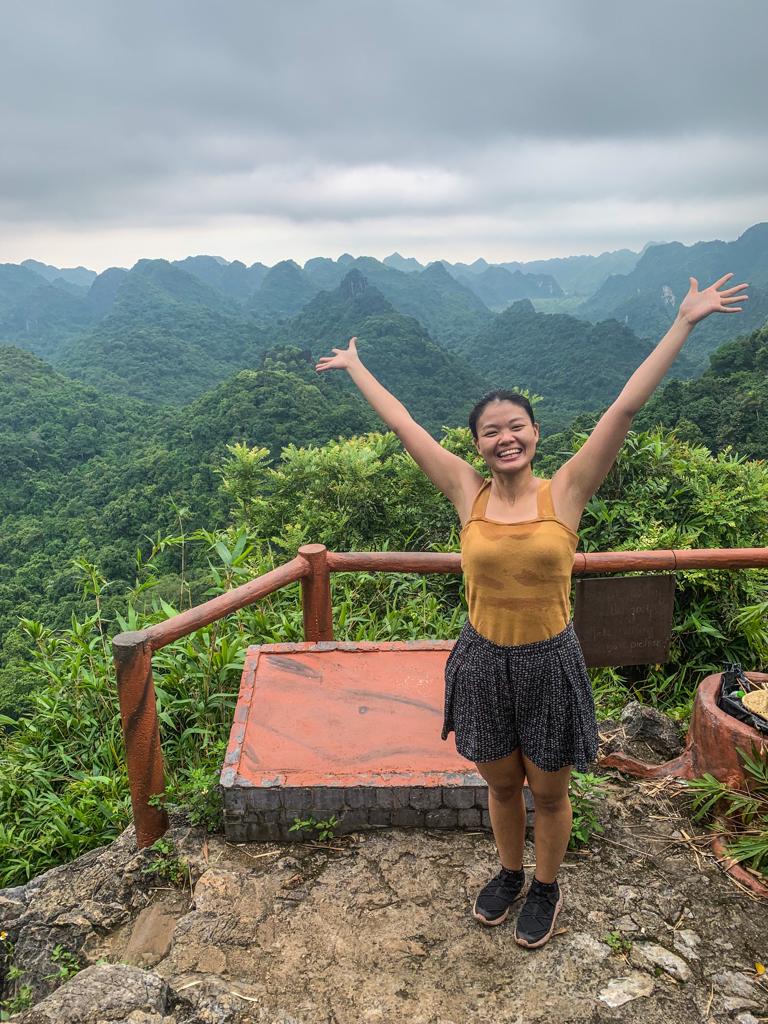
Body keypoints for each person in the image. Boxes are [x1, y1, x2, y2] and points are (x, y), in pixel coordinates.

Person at [315, 272, 748, 949]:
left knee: (548, 791)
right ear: (478, 444)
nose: (504, 438)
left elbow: (624, 411)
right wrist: (357, 367)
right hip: (483, 658)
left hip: (550, 660)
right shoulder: (467, 492)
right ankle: (509, 873)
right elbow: (404, 426)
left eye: (515, 427)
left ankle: (546, 886)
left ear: (535, 434)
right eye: (491, 431)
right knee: (499, 784)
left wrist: (684, 322)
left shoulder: (566, 492)